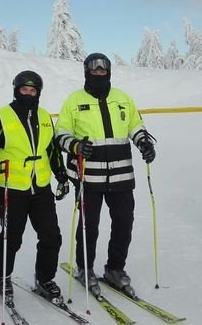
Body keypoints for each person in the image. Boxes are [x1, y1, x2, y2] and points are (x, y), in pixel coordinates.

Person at [54, 53, 156, 297]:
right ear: (86, 71)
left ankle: (115, 268)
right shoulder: (74, 100)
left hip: (121, 175)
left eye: (103, 68)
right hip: (89, 176)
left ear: (109, 71)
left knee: (124, 221)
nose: (98, 71)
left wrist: (143, 141)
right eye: (93, 67)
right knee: (89, 225)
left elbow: (135, 125)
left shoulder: (122, 98)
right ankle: (85, 268)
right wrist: (76, 146)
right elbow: (60, 133)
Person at [0, 70, 67, 306]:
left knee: (51, 236)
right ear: (16, 90)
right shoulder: (0, 117)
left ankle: (44, 279)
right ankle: (2, 276)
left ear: (38, 93)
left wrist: (60, 174)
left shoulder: (43, 116)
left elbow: (51, 149)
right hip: (11, 187)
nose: (29, 94)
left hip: (40, 186)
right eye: (24, 90)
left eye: (33, 91)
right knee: (12, 237)